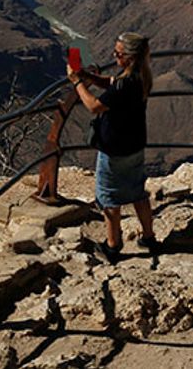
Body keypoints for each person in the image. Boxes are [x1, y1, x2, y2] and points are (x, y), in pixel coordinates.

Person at [67, 32, 157, 263]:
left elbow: (94, 106)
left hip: (114, 148)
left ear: (128, 57)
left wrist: (77, 83)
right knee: (137, 191)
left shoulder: (126, 82)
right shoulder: (139, 75)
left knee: (109, 197)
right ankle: (149, 238)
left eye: (117, 53)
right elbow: (112, 84)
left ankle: (113, 245)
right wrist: (88, 75)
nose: (113, 55)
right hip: (135, 145)